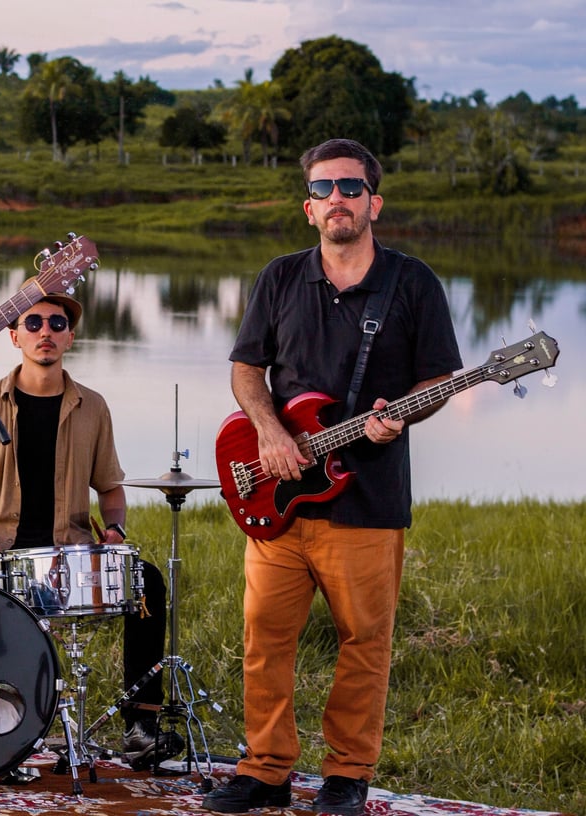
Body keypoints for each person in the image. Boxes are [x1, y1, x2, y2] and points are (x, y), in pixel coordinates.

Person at [201, 139, 462, 816]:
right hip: (279, 500)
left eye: (350, 187)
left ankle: (347, 775)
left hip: (368, 500)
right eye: (323, 189)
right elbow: (246, 368)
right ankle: (265, 770)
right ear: (308, 208)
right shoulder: (281, 277)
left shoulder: (413, 283)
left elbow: (437, 379)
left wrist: (401, 417)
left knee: (363, 645)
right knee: (264, 641)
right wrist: (268, 430)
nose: (337, 199)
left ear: (375, 202)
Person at [0, 293, 169, 764]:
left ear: (70, 338)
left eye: (57, 324)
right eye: (33, 323)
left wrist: (115, 531)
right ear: (14, 337)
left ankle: (141, 725)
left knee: (148, 583)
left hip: (69, 552)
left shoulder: (92, 407)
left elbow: (110, 489)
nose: (46, 332)